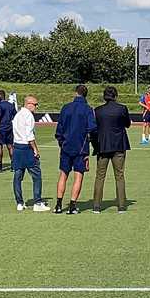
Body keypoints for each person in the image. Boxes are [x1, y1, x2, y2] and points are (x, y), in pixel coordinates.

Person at [54, 85, 97, 215]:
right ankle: (72, 205)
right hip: (80, 148)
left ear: (75, 93)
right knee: (78, 176)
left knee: (63, 175)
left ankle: (58, 205)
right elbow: (92, 128)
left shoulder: (66, 108)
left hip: (66, 147)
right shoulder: (87, 109)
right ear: (86, 95)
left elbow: (59, 129)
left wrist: (62, 143)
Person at [91, 86, 131, 214]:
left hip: (102, 146)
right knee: (119, 175)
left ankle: (96, 206)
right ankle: (121, 205)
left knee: (100, 176)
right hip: (119, 145)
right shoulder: (122, 108)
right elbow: (127, 124)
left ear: (104, 96)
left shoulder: (98, 110)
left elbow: (94, 129)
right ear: (115, 95)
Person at [12, 96, 49, 212]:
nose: (37, 107)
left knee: (18, 177)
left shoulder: (17, 115)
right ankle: (37, 202)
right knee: (36, 176)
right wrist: (35, 150)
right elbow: (29, 136)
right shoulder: (28, 115)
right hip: (26, 148)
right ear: (29, 104)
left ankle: (19, 202)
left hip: (17, 147)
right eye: (35, 104)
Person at [0, 89, 16, 173]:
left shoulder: (0, 106)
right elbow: (15, 115)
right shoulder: (10, 105)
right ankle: (14, 166)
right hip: (9, 127)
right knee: (10, 146)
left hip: (1, 128)